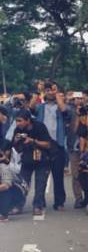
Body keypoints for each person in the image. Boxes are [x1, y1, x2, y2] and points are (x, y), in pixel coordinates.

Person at [33, 81, 72, 210]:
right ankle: (39, 203)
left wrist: (57, 95)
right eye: (47, 90)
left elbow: (64, 110)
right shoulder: (40, 107)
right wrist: (39, 91)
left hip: (58, 144)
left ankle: (59, 202)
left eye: (52, 90)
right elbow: (31, 107)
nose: (50, 92)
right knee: (40, 176)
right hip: (42, 144)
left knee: (58, 175)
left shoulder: (61, 106)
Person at [11, 110, 53, 215]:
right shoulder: (17, 130)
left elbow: (48, 144)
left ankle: (37, 206)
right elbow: (17, 149)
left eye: (20, 121)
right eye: (16, 121)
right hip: (27, 159)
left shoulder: (39, 127)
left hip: (42, 159)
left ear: (28, 120)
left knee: (40, 184)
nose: (18, 123)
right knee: (22, 184)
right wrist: (16, 142)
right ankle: (18, 205)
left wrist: (33, 141)